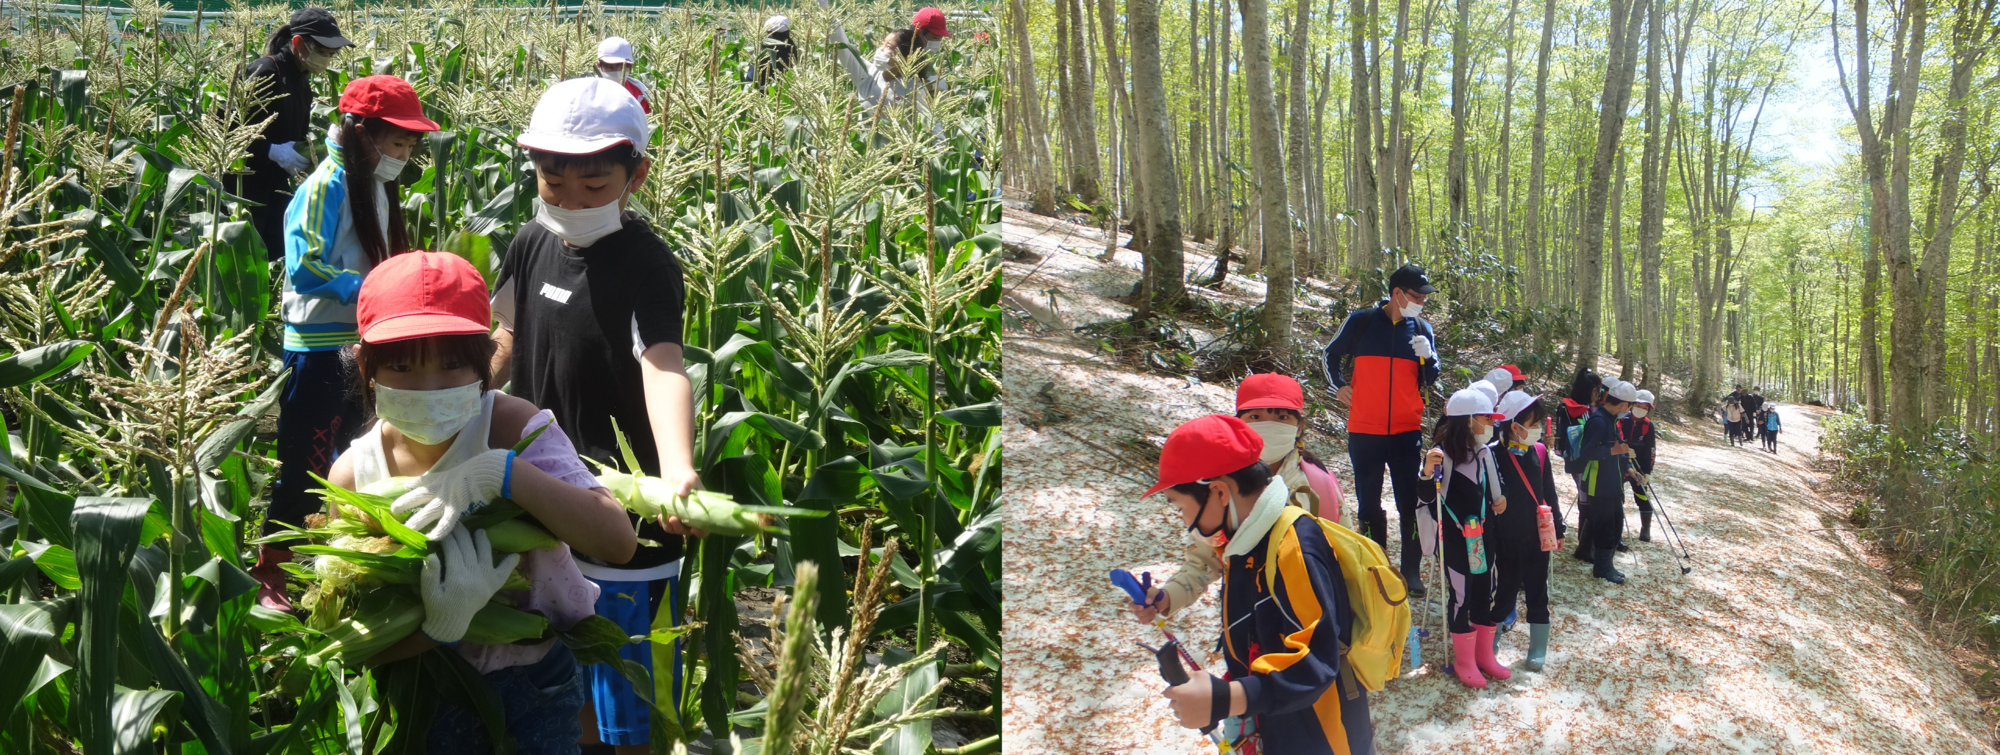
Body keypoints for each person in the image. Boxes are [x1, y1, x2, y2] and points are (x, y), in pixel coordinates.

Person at [324, 251, 637, 752]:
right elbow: (352, 643)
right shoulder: (355, 477)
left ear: (485, 357)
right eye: (402, 366)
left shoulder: (514, 429)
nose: (430, 387)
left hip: (538, 679)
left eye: (452, 365)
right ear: (366, 365)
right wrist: (444, 626)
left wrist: (506, 473)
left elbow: (617, 541)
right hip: (427, 693)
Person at [489, 77, 702, 755]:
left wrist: (677, 470)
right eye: (554, 182)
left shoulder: (645, 263)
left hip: (624, 518)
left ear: (636, 174)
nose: (570, 200)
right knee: (560, 689)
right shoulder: (530, 240)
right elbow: (504, 339)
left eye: (592, 185)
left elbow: (662, 364)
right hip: (542, 508)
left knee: (629, 709)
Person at [254, 75, 439, 611]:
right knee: (306, 462)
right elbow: (304, 267)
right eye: (397, 143)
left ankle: (338, 562)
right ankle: (272, 571)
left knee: (359, 459)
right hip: (317, 349)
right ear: (362, 134)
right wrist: (376, 289)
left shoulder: (374, 186)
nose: (403, 155)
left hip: (360, 345)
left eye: (409, 145)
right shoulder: (324, 187)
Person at [1145, 415, 1376, 754]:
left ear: (1220, 492)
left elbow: (1316, 660)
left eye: (1181, 508)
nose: (1184, 522)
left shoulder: (1293, 547)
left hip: (1321, 731)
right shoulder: (1244, 540)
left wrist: (1229, 698)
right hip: (1278, 719)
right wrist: (1167, 597)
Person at [1125, 373, 1349, 629]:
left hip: (1311, 626)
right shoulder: (1222, 486)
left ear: (1299, 426)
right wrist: (1168, 597)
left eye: (1282, 417)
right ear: (1239, 423)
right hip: (1248, 621)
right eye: (1256, 417)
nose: (1269, 425)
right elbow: (1205, 558)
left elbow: (1346, 557)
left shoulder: (1317, 486)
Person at [1321, 264, 1441, 597]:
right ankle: (1376, 565)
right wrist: (1339, 387)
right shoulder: (1361, 322)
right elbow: (1329, 355)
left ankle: (1411, 571)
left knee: (1410, 501)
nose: (1421, 302)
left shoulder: (1421, 328)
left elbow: (1430, 378)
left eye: (1424, 297)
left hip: (1406, 431)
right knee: (1369, 501)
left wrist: (1428, 357)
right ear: (1396, 293)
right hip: (1364, 430)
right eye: (1416, 296)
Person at [233, 7, 352, 260]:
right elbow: (226, 129)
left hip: (276, 188)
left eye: (332, 54)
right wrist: (271, 151)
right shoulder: (265, 71)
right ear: (298, 42)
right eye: (323, 52)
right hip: (245, 192)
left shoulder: (302, 79)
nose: (327, 60)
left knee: (276, 256)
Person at [1415, 385, 1510, 688]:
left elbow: (1497, 489)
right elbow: (1426, 498)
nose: (1492, 424)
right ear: (1468, 420)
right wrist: (1427, 473)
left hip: (1485, 534)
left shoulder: (1484, 453)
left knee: (1486, 590)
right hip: (1456, 539)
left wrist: (1501, 500)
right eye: (1486, 418)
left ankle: (1484, 655)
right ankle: (1464, 661)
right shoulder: (1443, 455)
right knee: (1462, 596)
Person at [1489, 390, 1564, 671]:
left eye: (1537, 424)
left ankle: (1537, 649)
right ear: (1513, 425)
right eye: (1531, 425)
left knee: (1538, 592)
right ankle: (1490, 644)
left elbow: (1549, 494)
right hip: (1506, 538)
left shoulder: (1539, 452)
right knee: (1505, 592)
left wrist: (1559, 529)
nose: (1536, 431)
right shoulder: (1493, 454)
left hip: (1538, 537)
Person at [1569, 380, 1638, 585]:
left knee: (1615, 524)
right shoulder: (1598, 420)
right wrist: (1613, 451)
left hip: (1612, 481)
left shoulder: (1610, 420)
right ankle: (1602, 567)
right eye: (1630, 406)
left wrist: (1627, 466)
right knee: (1605, 526)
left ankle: (1606, 564)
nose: (1629, 411)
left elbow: (1618, 447)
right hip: (1599, 484)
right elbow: (1586, 453)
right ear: (1624, 405)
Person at [868, 7, 952, 109]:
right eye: (935, 38)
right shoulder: (900, 48)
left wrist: (932, 83)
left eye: (940, 39)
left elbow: (933, 80)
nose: (937, 43)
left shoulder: (923, 55)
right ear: (918, 32)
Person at [1619, 389, 1658, 546]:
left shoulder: (1649, 425)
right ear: (1632, 404)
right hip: (1621, 464)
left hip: (1639, 468)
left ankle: (1645, 530)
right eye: (1639, 405)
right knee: (1617, 498)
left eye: (1645, 407)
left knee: (1642, 496)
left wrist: (1648, 471)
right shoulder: (1621, 420)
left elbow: (1651, 450)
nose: (1641, 409)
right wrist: (1626, 450)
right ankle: (1618, 531)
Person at [594, 37, 652, 115]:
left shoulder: (639, 94)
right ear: (598, 65)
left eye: (624, 67)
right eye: (611, 67)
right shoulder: (590, 91)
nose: (618, 73)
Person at [756, 15, 796, 88]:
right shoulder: (792, 49)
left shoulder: (763, 52)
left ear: (767, 32)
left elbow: (750, 78)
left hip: (765, 93)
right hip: (789, 93)